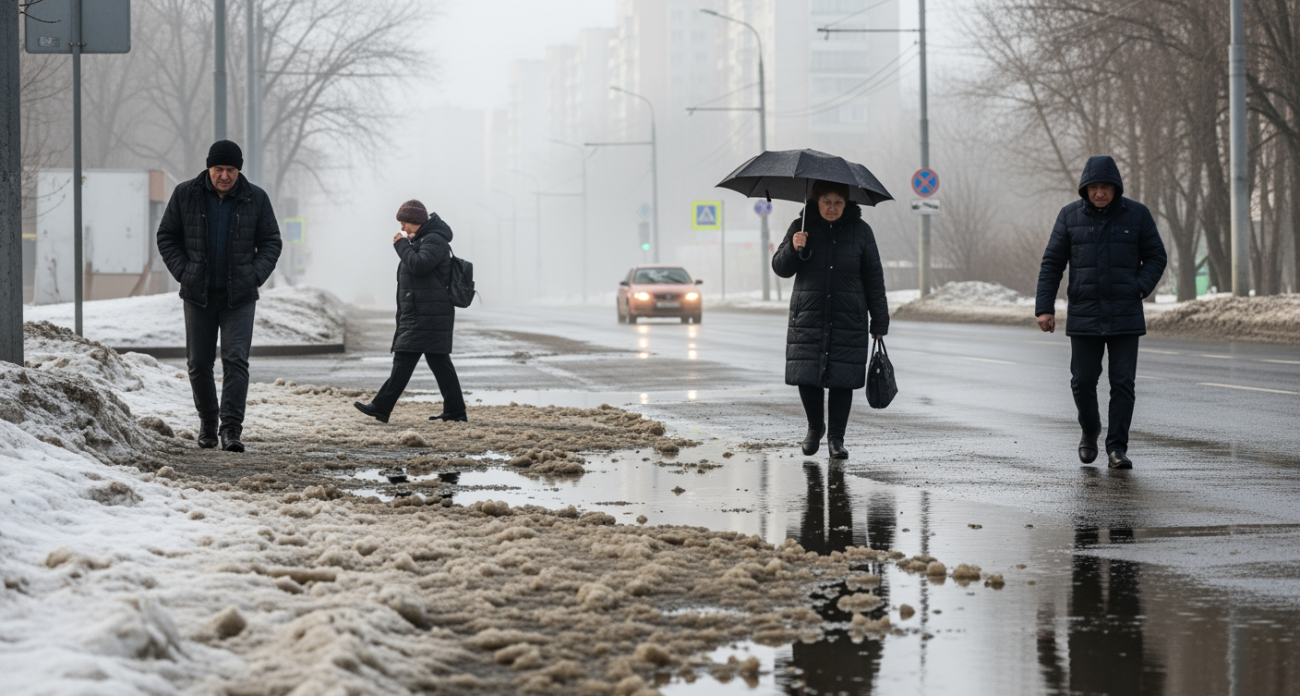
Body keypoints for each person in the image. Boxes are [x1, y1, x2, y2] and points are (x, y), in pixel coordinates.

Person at [1035, 155, 1167, 469]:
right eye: (1093, 187)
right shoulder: (1069, 216)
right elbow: (1052, 264)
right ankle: (1090, 428)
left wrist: (1140, 286)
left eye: (1105, 187)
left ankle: (1117, 448)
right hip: (1084, 312)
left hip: (1125, 314)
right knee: (1082, 381)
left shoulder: (1136, 215)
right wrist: (1044, 308)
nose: (1099, 193)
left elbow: (1156, 256)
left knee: (1123, 383)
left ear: (1115, 188)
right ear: (1085, 188)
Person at [156, 140, 282, 453]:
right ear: (209, 168)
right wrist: (185, 272)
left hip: (238, 298)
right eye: (218, 169)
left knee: (235, 362)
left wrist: (253, 276)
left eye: (230, 170)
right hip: (198, 295)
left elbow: (271, 243)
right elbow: (167, 237)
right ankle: (208, 423)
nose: (224, 176)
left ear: (238, 170)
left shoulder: (256, 198)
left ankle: (231, 429)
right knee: (198, 363)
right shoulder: (187, 194)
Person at [772, 180, 889, 459]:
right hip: (809, 314)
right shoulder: (800, 226)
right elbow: (781, 268)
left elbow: (874, 277)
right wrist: (792, 247)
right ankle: (815, 428)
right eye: (827, 202)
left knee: (842, 378)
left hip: (848, 315)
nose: (832, 208)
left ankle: (837, 439)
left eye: (838, 202)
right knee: (807, 375)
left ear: (847, 203)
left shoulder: (861, 231)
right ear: (816, 201)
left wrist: (880, 321)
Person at [354, 200, 467, 424]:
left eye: (405, 223)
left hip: (428, 313)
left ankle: (382, 406)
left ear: (417, 221)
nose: (403, 228)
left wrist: (401, 246)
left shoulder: (434, 240)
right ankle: (455, 411)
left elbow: (419, 265)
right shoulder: (424, 239)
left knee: (405, 357)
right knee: (438, 362)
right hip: (423, 311)